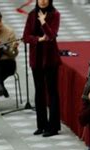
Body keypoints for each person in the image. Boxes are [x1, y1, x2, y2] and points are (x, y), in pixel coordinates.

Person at [23, 0, 61, 137]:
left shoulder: (55, 14)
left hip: (50, 59)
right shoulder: (32, 14)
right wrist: (38, 40)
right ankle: (41, 125)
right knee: (39, 91)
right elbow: (25, 36)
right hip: (36, 58)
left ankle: (53, 126)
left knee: (52, 92)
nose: (43, 1)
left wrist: (44, 22)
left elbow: (51, 36)